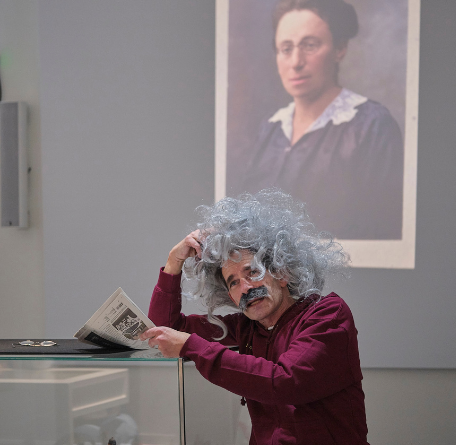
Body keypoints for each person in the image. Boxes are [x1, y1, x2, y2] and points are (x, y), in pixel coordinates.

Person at [139, 190, 368, 444]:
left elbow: (284, 381)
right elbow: (166, 329)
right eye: (234, 282)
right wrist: (174, 262)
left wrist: (192, 347)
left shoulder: (328, 315)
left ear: (282, 272)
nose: (245, 287)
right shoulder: (246, 328)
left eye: (253, 272)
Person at [239, 0, 404, 240]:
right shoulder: (270, 128)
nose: (296, 62)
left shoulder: (371, 126)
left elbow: (382, 230)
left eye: (310, 45)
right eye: (286, 48)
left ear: (340, 49)